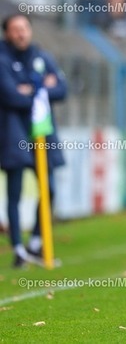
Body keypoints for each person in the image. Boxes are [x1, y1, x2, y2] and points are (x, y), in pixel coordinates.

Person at [0, 14, 67, 268]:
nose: (21, 33)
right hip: (13, 133)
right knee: (14, 191)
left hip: (42, 132)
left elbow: (62, 89)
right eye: (15, 29)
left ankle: (36, 243)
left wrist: (31, 89)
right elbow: (9, 96)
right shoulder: (2, 59)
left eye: (25, 28)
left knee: (49, 189)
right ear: (7, 33)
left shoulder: (41, 56)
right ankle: (18, 249)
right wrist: (41, 88)